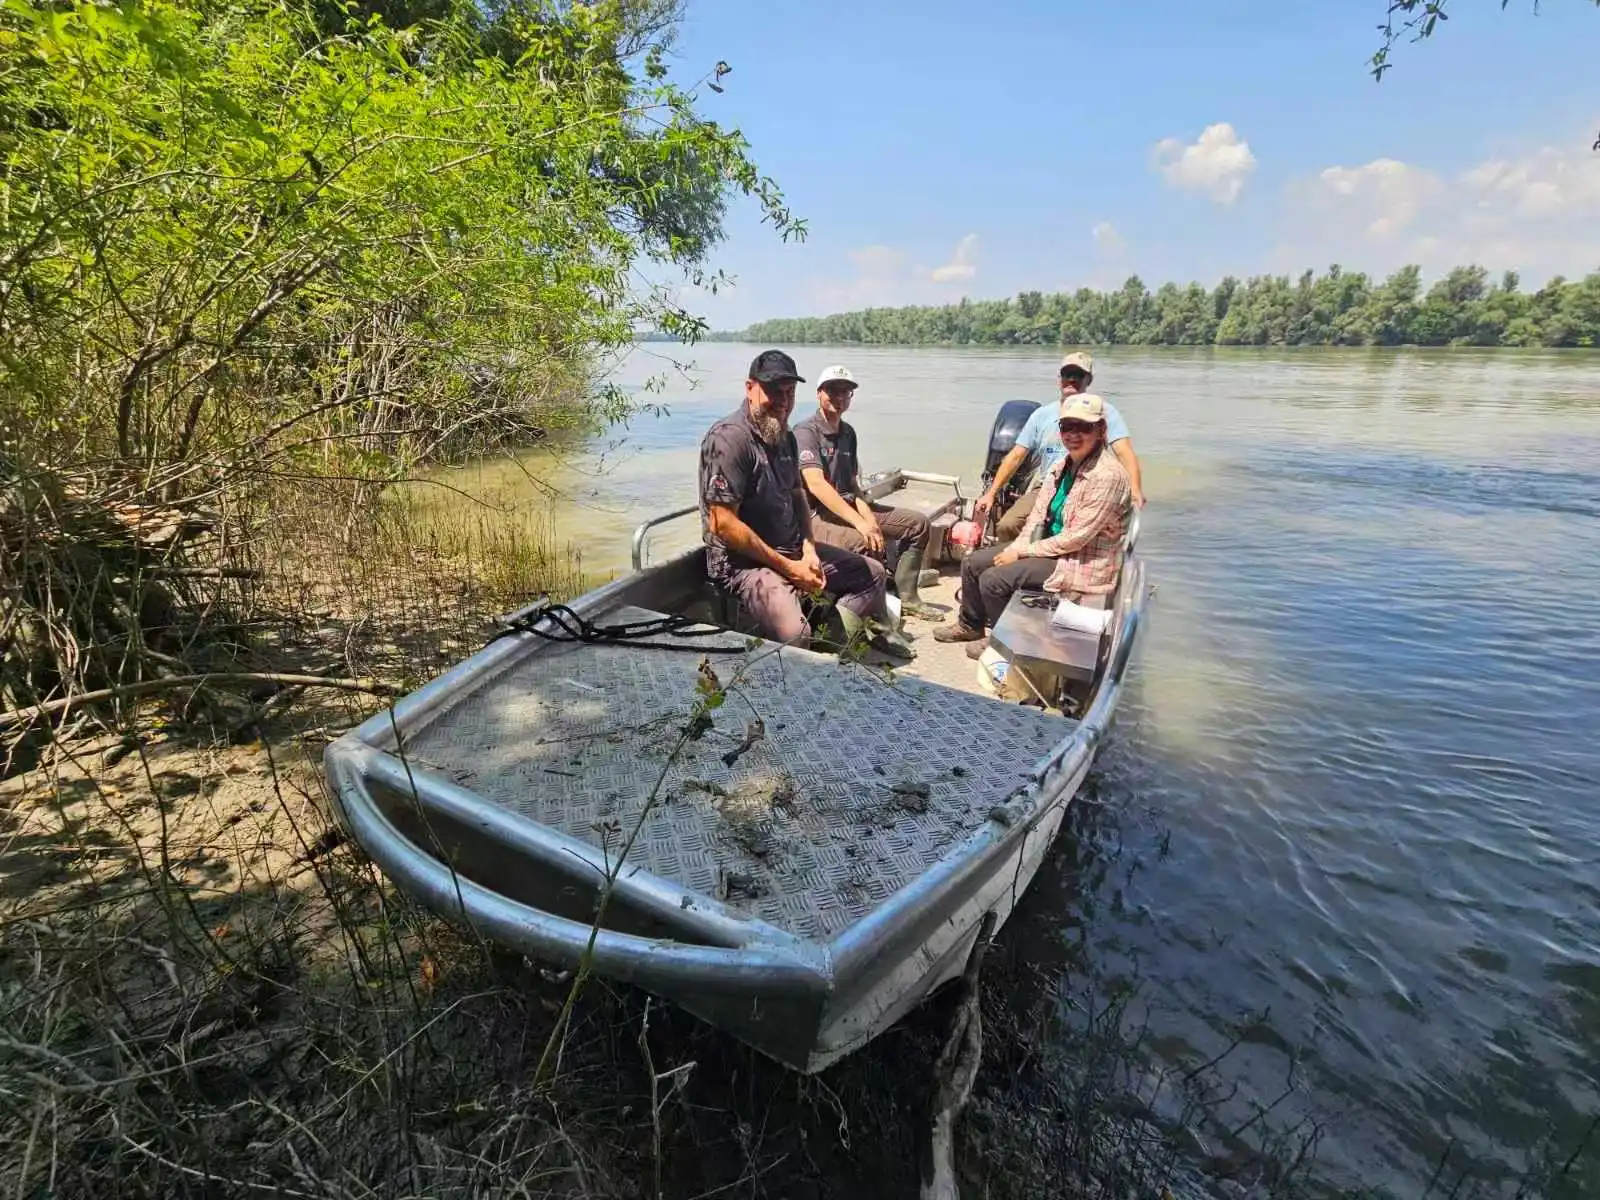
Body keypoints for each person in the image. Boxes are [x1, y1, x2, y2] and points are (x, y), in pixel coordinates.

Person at [699, 349, 913, 658]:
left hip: (792, 551)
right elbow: (722, 523)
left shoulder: (786, 437)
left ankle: (828, 644)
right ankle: (806, 654)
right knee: (795, 635)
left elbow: (798, 496)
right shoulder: (729, 439)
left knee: (874, 575)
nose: (783, 401)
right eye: (774, 390)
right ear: (750, 387)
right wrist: (789, 568)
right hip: (742, 564)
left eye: (789, 392)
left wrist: (809, 549)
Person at [934, 393, 1130, 653]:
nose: (1073, 434)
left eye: (1083, 427)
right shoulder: (1062, 466)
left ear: (1101, 430)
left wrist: (1020, 551)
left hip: (1079, 561)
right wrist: (1020, 546)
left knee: (994, 580)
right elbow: (1037, 517)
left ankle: (1010, 642)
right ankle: (970, 625)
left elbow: (1076, 538)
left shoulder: (1107, 476)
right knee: (973, 563)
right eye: (1066, 426)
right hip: (1050, 547)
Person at [792, 365, 933, 615]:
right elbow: (816, 484)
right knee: (863, 542)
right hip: (815, 515)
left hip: (848, 506)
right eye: (833, 390)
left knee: (917, 525)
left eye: (846, 392)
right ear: (819, 393)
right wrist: (860, 524)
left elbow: (853, 487)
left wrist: (868, 519)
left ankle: (906, 596)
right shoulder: (805, 432)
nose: (839, 397)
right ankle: (875, 616)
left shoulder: (848, 433)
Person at [972, 351, 1145, 541]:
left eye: (1078, 375)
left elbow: (1124, 452)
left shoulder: (1104, 413)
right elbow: (1016, 456)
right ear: (1059, 378)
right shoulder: (1041, 415)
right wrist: (991, 493)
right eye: (1066, 374)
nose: (1071, 379)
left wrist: (1135, 489)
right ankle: (1018, 565)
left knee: (1075, 532)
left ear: (1089, 379)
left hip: (1089, 486)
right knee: (1007, 525)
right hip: (1048, 484)